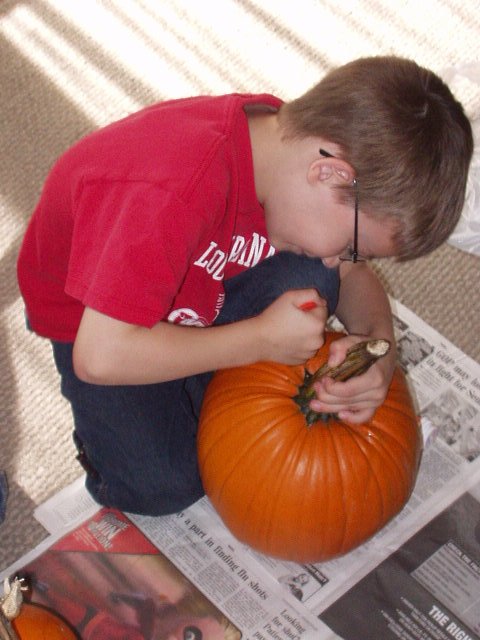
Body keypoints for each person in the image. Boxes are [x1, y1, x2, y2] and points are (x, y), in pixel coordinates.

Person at [17, 56, 473, 517]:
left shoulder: (289, 152)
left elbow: (351, 275)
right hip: (100, 326)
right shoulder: (172, 190)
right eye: (353, 245)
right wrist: (257, 341)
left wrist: (381, 345)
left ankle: (206, 367)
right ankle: (123, 434)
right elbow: (100, 356)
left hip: (194, 288)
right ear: (329, 173)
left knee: (315, 279)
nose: (343, 259)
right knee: (166, 484)